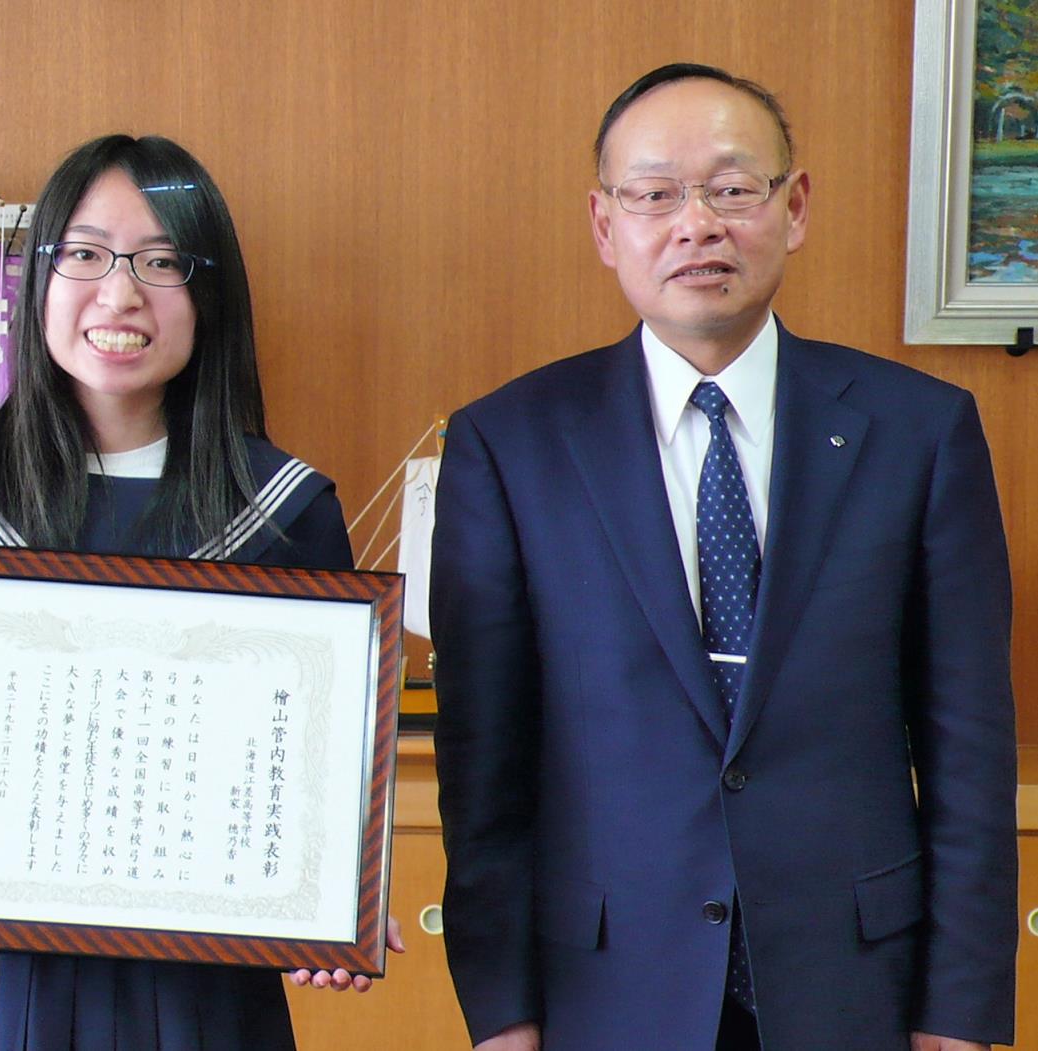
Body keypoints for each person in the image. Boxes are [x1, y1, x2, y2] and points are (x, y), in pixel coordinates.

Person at [430, 64, 1017, 1051]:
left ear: (794, 208)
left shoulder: (920, 432)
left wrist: (957, 1018)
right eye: (655, 194)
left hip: (854, 989)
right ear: (605, 224)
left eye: (733, 188)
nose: (695, 223)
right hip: (605, 993)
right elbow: (484, 765)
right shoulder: (510, 444)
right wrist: (501, 1014)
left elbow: (968, 753)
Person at [0, 133, 400, 1051]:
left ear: (210, 296)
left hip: (201, 1001)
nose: (118, 293)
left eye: (161, 261)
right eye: (84, 254)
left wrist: (331, 901)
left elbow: (317, 782)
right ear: (36, 278)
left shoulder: (285, 513)